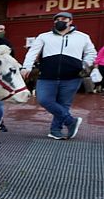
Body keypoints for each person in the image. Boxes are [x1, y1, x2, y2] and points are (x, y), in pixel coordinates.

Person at [21, 12, 97, 140]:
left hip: (72, 77)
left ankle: (55, 130)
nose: (60, 21)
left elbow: (91, 53)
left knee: (64, 104)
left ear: (71, 21)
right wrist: (26, 67)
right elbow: (32, 52)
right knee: (43, 100)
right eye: (57, 19)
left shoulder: (83, 37)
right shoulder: (44, 36)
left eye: (64, 19)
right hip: (47, 76)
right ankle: (70, 121)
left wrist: (84, 65)